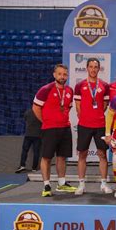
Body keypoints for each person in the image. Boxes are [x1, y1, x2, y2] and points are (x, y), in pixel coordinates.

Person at [33, 64, 77, 197]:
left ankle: (61, 183)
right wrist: (46, 121)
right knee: (46, 157)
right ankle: (46, 185)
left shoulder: (70, 90)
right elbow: (36, 108)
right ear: (54, 74)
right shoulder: (45, 89)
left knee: (62, 157)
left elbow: (67, 107)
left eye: (64, 74)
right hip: (49, 129)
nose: (62, 77)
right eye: (59, 74)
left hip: (64, 128)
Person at [73, 58, 112, 195]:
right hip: (84, 125)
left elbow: (105, 105)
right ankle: (81, 185)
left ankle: (103, 184)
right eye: (91, 66)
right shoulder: (80, 85)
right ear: (87, 68)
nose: (93, 69)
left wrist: (97, 115)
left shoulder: (105, 86)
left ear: (99, 69)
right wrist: (85, 117)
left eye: (96, 67)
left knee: (102, 154)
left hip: (100, 125)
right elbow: (78, 106)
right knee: (82, 154)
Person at [15, 108, 42, 173]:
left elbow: (25, 119)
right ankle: (34, 168)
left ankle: (22, 165)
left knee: (24, 151)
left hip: (28, 134)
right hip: (38, 135)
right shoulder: (41, 112)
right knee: (36, 152)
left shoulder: (28, 112)